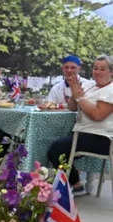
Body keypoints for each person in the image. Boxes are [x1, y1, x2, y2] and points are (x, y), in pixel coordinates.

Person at [47, 55, 113, 196]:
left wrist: (79, 97)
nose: (97, 72)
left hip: (101, 138)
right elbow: (72, 107)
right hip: (83, 133)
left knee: (56, 149)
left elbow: (97, 115)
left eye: (102, 69)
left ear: (111, 72)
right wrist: (73, 92)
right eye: (95, 68)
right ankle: (72, 184)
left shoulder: (111, 90)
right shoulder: (90, 85)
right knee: (55, 145)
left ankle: (74, 185)